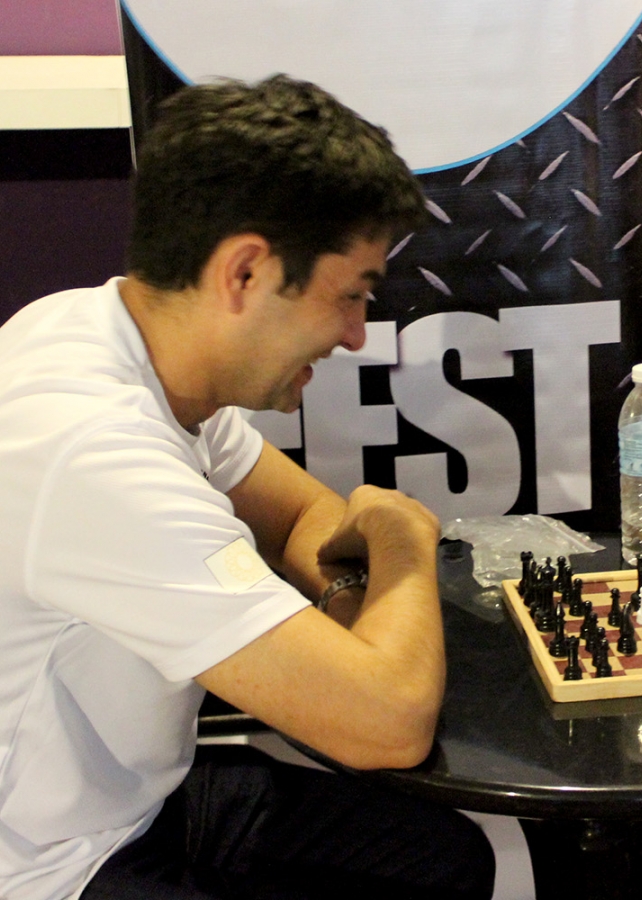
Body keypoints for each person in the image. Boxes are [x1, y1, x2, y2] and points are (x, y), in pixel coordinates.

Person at [0, 75, 495, 900]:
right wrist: (404, 534)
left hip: (137, 801)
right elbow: (389, 723)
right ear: (244, 272)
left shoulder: (118, 341)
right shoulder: (93, 447)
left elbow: (306, 514)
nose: (355, 334)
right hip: (52, 866)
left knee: (440, 857)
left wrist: (348, 613)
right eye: (350, 294)